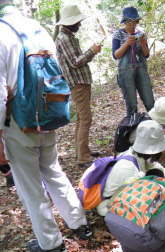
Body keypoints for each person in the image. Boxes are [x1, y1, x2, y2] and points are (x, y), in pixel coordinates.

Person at [0, 0, 92, 252]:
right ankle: (79, 224)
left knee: (31, 187)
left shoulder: (2, 33)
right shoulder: (35, 27)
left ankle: (51, 243)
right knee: (53, 172)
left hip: (18, 122)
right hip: (47, 113)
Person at [55, 4, 102, 166]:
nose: (80, 25)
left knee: (82, 118)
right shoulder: (64, 38)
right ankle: (82, 157)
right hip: (78, 84)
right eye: (77, 22)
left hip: (81, 82)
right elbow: (75, 62)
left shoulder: (68, 37)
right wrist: (92, 51)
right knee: (86, 119)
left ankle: (83, 152)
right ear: (70, 23)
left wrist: (91, 52)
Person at [95, 120, 165, 216]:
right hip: (109, 205)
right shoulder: (129, 168)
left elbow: (154, 165)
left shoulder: (136, 154)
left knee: (157, 173)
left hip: (123, 192)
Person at [112, 7, 155, 116]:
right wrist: (126, 43)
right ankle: (132, 127)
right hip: (125, 72)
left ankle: (157, 123)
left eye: (135, 21)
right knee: (131, 104)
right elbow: (115, 55)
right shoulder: (118, 34)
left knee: (150, 100)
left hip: (141, 70)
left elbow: (146, 54)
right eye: (130, 22)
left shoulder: (141, 34)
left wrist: (143, 43)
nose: (133, 24)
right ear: (125, 22)